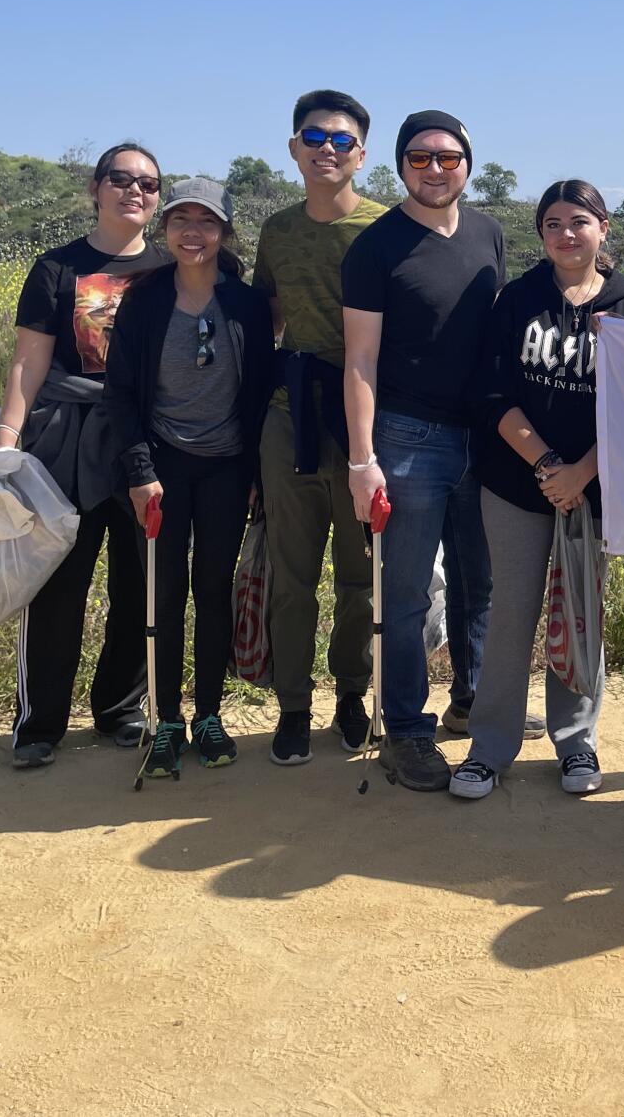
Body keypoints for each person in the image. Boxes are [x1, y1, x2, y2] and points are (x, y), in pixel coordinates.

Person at [449, 180, 624, 800]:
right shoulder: (518, 299)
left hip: (593, 487)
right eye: (553, 223)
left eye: (579, 221)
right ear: (541, 234)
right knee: (511, 615)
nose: (566, 233)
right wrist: (546, 465)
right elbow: (491, 394)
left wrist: (583, 472)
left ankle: (576, 742)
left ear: (603, 228)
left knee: (578, 612)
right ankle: (490, 747)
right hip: (514, 483)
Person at [343, 110, 505, 791]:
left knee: (481, 586)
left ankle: (473, 703)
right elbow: (359, 359)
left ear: (468, 162)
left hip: (486, 438)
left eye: (448, 157)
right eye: (420, 158)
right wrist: (362, 459)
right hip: (408, 438)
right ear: (401, 165)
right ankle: (405, 731)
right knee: (405, 596)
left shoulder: (489, 232)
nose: (435, 169)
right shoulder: (376, 248)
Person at [0, 142, 163, 768]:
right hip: (65, 438)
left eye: (147, 183)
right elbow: (28, 360)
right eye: (120, 179)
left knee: (139, 582)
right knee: (57, 584)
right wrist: (6, 448)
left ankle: (122, 707)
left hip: (144, 441)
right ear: (96, 188)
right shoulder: (55, 268)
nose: (134, 191)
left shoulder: (171, 270)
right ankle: (40, 723)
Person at [104, 179, 274, 777]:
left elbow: (257, 392)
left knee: (213, 591)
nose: (193, 233)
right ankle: (167, 719)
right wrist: (140, 471)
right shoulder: (144, 301)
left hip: (227, 468)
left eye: (206, 222)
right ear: (165, 230)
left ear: (225, 233)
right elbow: (121, 393)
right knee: (165, 593)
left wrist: (254, 470)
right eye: (181, 221)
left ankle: (208, 715)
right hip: (162, 468)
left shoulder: (248, 305)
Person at [254, 91, 387, 767]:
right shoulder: (276, 230)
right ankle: (293, 706)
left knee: (361, 578)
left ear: (361, 153)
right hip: (291, 416)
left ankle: (353, 695)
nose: (326, 148)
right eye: (314, 136)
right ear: (294, 148)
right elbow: (270, 318)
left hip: (363, 420)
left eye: (340, 139)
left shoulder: (386, 229)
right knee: (293, 574)